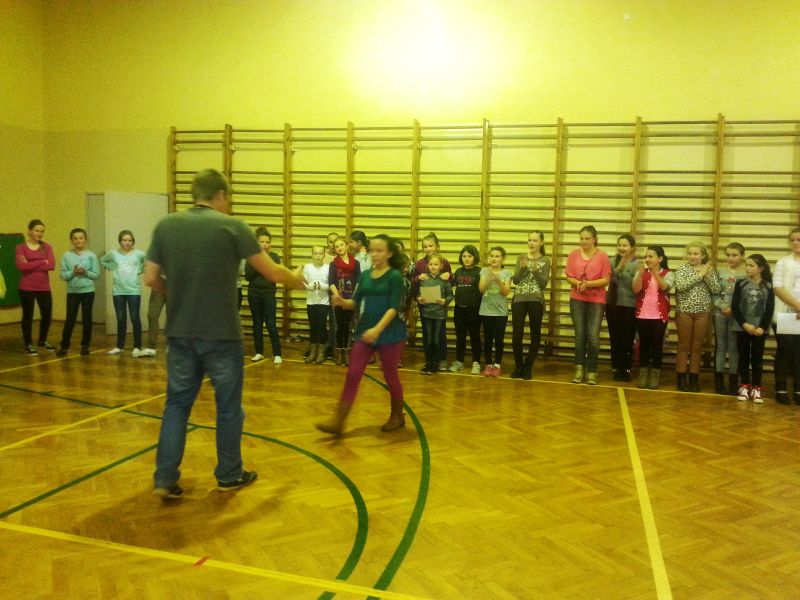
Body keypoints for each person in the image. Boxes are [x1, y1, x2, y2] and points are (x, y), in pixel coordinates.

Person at [144, 168, 303, 499]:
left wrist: (177, 294)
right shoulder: (233, 227)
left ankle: (165, 478)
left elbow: (150, 278)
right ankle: (229, 474)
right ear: (220, 195)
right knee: (229, 408)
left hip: (181, 332)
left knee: (176, 405)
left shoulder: (166, 225)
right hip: (222, 335)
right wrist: (296, 278)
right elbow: (273, 272)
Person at [316, 234, 408, 435]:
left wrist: (377, 330)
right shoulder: (366, 275)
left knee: (390, 375)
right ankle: (339, 421)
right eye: (372, 250)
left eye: (379, 250)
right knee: (353, 373)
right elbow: (355, 302)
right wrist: (342, 302)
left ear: (389, 253)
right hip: (365, 331)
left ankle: (397, 415)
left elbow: (393, 308)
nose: (374, 254)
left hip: (389, 333)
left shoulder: (394, 276)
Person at [564, 225, 612, 385]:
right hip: (577, 298)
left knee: (593, 336)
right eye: (581, 238)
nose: (584, 241)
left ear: (594, 239)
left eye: (587, 238)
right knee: (579, 335)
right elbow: (568, 276)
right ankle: (579, 369)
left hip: (596, 300)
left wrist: (588, 284)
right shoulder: (573, 254)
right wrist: (578, 283)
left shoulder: (602, 256)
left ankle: (592, 370)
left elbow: (606, 279)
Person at [673, 241, 721, 392]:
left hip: (702, 312)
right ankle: (681, 377)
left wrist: (707, 273)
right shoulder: (682, 269)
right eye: (690, 253)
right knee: (683, 346)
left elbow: (716, 289)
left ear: (703, 256)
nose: (692, 256)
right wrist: (700, 274)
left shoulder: (709, 270)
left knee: (697, 346)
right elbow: (681, 286)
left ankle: (694, 378)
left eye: (696, 254)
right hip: (684, 311)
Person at [732, 254, 774, 404]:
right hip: (742, 327)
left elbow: (769, 309)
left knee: (757, 358)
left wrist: (762, 327)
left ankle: (757, 387)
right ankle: (744, 385)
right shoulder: (741, 283)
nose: (747, 268)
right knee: (743, 357)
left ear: (760, 268)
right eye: (747, 265)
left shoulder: (768, 285)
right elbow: (735, 306)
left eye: (751, 265)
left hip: (759, 329)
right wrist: (744, 324)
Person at [632, 246, 674, 390]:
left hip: (659, 317)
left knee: (657, 346)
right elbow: (635, 289)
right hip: (642, 315)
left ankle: (655, 373)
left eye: (651, 256)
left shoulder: (668, 273)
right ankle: (643, 372)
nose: (647, 259)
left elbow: (664, 287)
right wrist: (640, 274)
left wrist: (655, 273)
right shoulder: (642, 272)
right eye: (646, 256)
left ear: (660, 259)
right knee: (643, 345)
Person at [511, 231, 550, 380]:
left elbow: (543, 284)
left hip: (536, 299)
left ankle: (528, 367)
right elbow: (515, 280)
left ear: (541, 242)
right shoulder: (521, 257)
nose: (532, 243)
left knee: (535, 333)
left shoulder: (545, 260)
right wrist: (522, 268)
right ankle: (518, 366)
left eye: (535, 240)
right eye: (530, 240)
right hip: (519, 299)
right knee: (517, 334)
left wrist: (535, 271)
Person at [100, 230, 146, 356]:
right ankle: (120, 346)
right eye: (124, 240)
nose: (127, 242)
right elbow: (103, 260)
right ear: (120, 241)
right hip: (118, 291)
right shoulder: (114, 254)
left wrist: (140, 270)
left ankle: (137, 346)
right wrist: (112, 267)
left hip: (134, 291)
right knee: (121, 318)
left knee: (135, 318)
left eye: (130, 240)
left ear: (133, 241)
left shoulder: (139, 254)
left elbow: (148, 261)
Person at [15, 219, 56, 355]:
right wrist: (42, 261)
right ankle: (28, 344)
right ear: (29, 231)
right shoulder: (21, 247)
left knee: (47, 315)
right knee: (28, 316)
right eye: (37, 230)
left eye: (42, 231)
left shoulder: (47, 247)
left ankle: (42, 341)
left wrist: (31, 263)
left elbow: (51, 265)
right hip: (26, 287)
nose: (39, 233)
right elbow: (22, 266)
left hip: (44, 287)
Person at [413, 232, 452, 371]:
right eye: (425, 246)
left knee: (439, 335)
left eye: (431, 246)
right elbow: (413, 281)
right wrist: (418, 279)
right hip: (425, 306)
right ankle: (429, 360)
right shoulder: (419, 263)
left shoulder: (445, 262)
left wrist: (449, 275)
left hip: (439, 308)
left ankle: (441, 359)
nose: (428, 248)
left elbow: (450, 283)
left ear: (437, 246)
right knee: (428, 335)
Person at [57, 228, 100, 357]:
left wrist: (85, 272)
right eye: (75, 238)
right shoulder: (66, 256)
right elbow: (63, 275)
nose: (78, 241)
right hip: (72, 292)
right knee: (70, 319)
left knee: (87, 319)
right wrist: (73, 272)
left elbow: (96, 275)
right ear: (71, 240)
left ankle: (85, 346)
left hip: (88, 292)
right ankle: (64, 346)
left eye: (81, 238)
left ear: (85, 240)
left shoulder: (91, 256)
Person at [712, 242, 747, 395]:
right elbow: (714, 293)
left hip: (737, 316)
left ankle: (733, 381)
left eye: (734, 255)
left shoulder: (746, 274)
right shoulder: (719, 272)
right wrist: (722, 306)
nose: (731, 258)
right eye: (728, 255)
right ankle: (719, 380)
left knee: (734, 348)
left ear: (742, 256)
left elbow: (746, 297)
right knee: (721, 346)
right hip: (720, 314)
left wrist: (733, 310)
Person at [771, 227, 800, 406]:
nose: (795, 243)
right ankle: (780, 388)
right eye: (793, 240)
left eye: (799, 239)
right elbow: (778, 287)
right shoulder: (783, 262)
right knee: (785, 351)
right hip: (786, 313)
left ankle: (798, 388)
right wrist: (797, 306)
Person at [245, 227, 283, 363]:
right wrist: (259, 263)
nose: (265, 244)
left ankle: (277, 353)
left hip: (268, 294)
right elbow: (248, 276)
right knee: (257, 323)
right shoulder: (251, 257)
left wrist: (266, 263)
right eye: (262, 242)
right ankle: (259, 352)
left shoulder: (274, 257)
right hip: (254, 293)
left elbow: (276, 276)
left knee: (271, 323)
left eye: (267, 242)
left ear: (270, 244)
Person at [605, 234, 638, 381]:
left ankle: (626, 368)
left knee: (627, 339)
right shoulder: (611, 261)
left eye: (625, 245)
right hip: (613, 305)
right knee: (615, 338)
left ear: (632, 248)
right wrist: (620, 266)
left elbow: (636, 286)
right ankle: (616, 368)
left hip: (630, 306)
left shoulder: (637, 264)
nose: (621, 248)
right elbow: (609, 280)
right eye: (619, 245)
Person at [479, 246, 512, 377]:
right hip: (486, 311)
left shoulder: (506, 273)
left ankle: (497, 365)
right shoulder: (484, 271)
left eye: (497, 256)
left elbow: (506, 292)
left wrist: (497, 280)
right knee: (487, 339)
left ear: (502, 259)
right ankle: (488, 364)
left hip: (501, 312)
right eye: (492, 256)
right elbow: (481, 289)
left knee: (499, 340)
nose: (494, 259)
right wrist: (489, 277)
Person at [450, 244, 482, 375]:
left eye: (469, 256)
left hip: (474, 309)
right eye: (464, 256)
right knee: (460, 336)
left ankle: (476, 362)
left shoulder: (479, 272)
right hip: (459, 309)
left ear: (475, 257)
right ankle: (459, 361)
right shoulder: (458, 271)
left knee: (475, 336)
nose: (467, 259)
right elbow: (452, 286)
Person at [329, 236, 361, 365]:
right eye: (337, 246)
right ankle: (339, 352)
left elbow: (358, 281)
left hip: (351, 299)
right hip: (338, 298)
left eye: (341, 245)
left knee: (348, 326)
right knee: (339, 326)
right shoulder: (333, 264)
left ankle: (347, 352)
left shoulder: (356, 263)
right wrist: (338, 297)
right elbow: (331, 282)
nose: (339, 248)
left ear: (347, 246)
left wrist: (353, 297)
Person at [303, 246, 330, 364]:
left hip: (324, 302)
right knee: (313, 326)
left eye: (320, 253)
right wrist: (312, 287)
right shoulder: (307, 267)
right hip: (311, 301)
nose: (318, 255)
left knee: (322, 326)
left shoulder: (328, 267)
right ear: (312, 254)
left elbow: (331, 284)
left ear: (324, 255)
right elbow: (304, 283)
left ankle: (321, 352)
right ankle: (313, 351)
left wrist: (321, 287)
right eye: (315, 253)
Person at [143, 289, 165, 357]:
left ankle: (172, 346)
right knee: (152, 315)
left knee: (173, 316)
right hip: (159, 285)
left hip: (176, 285)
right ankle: (151, 347)